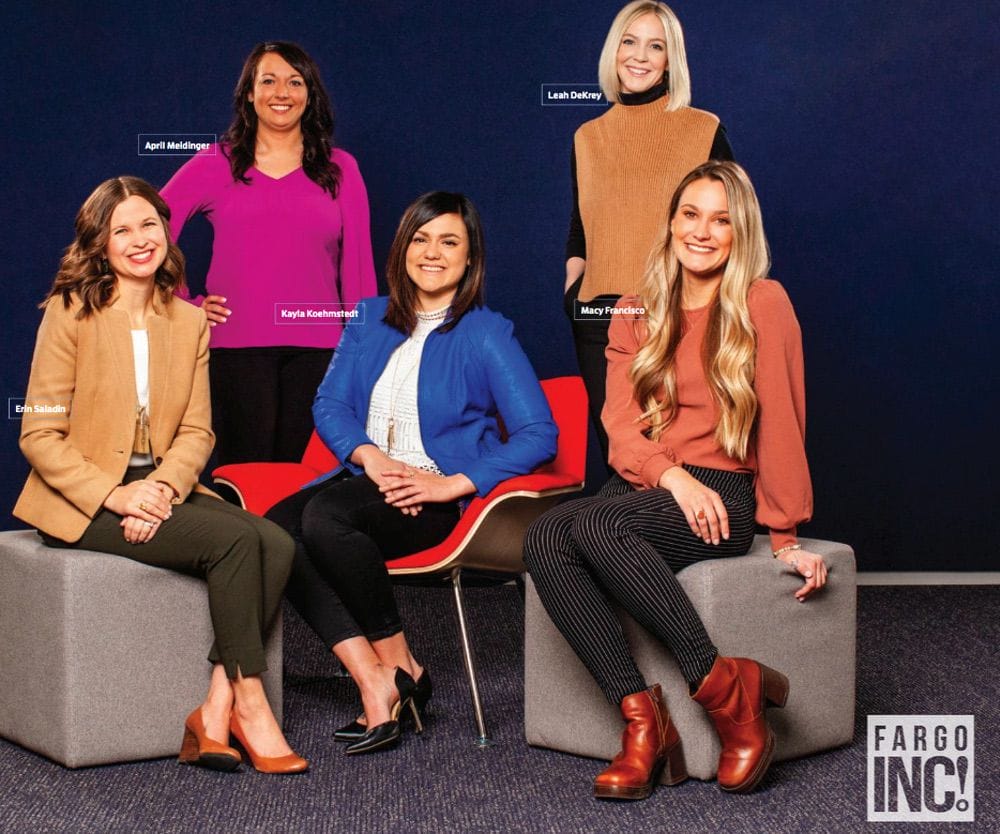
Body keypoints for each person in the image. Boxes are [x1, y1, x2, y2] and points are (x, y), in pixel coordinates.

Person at [525, 161, 827, 799]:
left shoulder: (761, 302)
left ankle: (723, 698)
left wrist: (786, 536)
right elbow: (618, 421)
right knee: (545, 536)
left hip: (723, 493)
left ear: (740, 232)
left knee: (600, 522)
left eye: (721, 220)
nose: (702, 231)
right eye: (690, 214)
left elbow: (782, 418)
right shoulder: (637, 302)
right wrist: (670, 479)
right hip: (656, 486)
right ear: (670, 221)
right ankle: (645, 722)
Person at [14, 177, 307, 775]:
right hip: (83, 501)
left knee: (275, 541)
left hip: (163, 487)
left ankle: (213, 705)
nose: (138, 240)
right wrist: (119, 496)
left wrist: (163, 490)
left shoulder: (189, 321)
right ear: (99, 244)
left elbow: (198, 432)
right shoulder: (68, 315)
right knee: (233, 541)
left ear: (167, 232)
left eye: (148, 224)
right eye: (120, 230)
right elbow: (38, 434)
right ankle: (250, 705)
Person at [266, 191, 558, 755]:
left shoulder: (486, 333)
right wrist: (371, 457)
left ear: (470, 259)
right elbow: (329, 404)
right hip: (363, 480)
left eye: (449, 241)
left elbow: (538, 433)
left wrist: (449, 483)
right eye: (420, 239)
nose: (432, 253)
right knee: (274, 535)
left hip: (433, 496)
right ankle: (380, 676)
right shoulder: (369, 317)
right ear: (402, 249)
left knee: (327, 519)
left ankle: (396, 667)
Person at [161, 41, 376, 466]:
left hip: (321, 351)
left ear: (310, 95)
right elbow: (150, 229)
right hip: (237, 348)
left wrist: (362, 351)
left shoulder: (341, 168)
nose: (282, 92)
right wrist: (184, 304)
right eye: (269, 81)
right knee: (243, 473)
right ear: (249, 94)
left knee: (307, 477)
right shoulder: (215, 163)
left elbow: (358, 269)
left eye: (295, 82)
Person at [565, 1, 734, 467]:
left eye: (655, 45)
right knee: (623, 461)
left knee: (679, 461)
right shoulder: (586, 136)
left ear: (669, 61)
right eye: (629, 41)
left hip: (673, 318)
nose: (639, 56)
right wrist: (573, 293)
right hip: (598, 319)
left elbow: (733, 225)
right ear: (613, 50)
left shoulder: (703, 129)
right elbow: (580, 227)